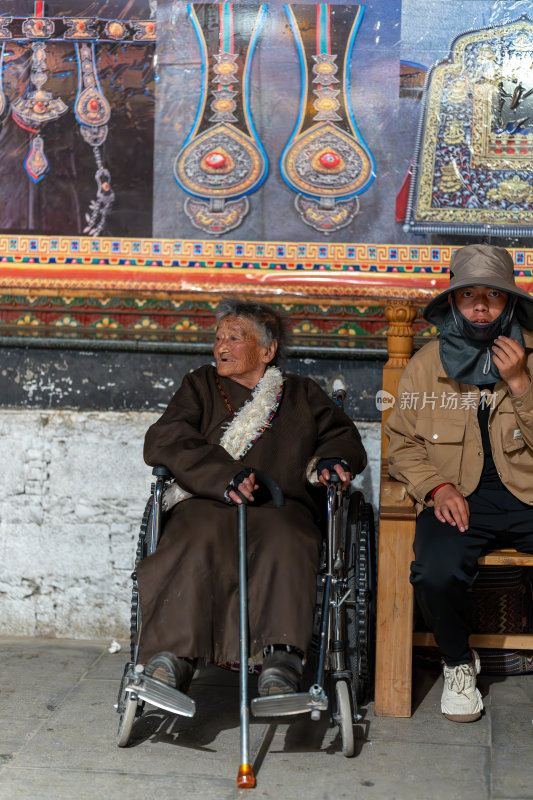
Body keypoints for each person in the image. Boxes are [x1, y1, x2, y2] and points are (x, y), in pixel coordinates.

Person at [136, 298, 367, 696]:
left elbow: (341, 436)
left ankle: (281, 660)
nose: (221, 346)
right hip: (209, 502)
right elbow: (166, 437)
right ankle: (172, 656)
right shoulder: (200, 385)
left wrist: (332, 460)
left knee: (290, 539)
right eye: (218, 337)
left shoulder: (300, 392)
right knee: (194, 533)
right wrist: (223, 475)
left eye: (234, 338)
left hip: (282, 508)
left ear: (268, 350)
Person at [386, 244, 533, 723]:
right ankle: (456, 663)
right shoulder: (427, 364)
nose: (480, 305)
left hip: (527, 495)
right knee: (434, 571)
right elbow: (400, 444)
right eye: (468, 294)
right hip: (459, 500)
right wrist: (435, 488)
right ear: (452, 302)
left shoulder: (530, 359)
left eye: (492, 294)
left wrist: (520, 385)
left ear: (510, 302)